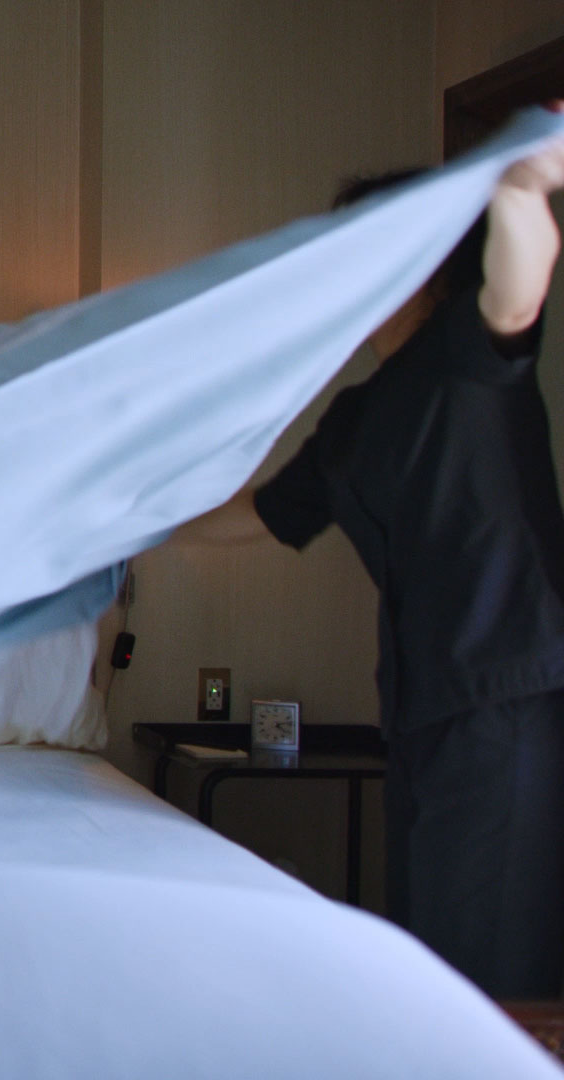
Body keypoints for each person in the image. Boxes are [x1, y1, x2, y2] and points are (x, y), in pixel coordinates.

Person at [175, 104, 564, 999]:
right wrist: (134, 527)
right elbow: (266, 515)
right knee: (430, 951)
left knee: (492, 968)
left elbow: (520, 283)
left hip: (506, 696)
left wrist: (521, 187)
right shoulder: (358, 418)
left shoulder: (467, 354)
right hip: (424, 712)